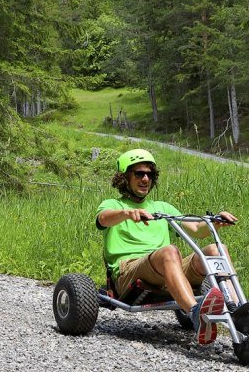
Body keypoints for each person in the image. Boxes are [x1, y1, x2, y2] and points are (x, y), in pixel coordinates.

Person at [96, 148, 246, 345]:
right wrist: (126, 213)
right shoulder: (112, 204)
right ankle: (195, 313)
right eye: (139, 173)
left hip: (168, 269)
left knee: (217, 250)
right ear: (124, 177)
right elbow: (103, 219)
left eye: (149, 174)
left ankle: (239, 312)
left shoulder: (162, 208)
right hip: (130, 273)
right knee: (169, 251)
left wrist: (216, 221)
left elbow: (195, 229)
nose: (145, 179)